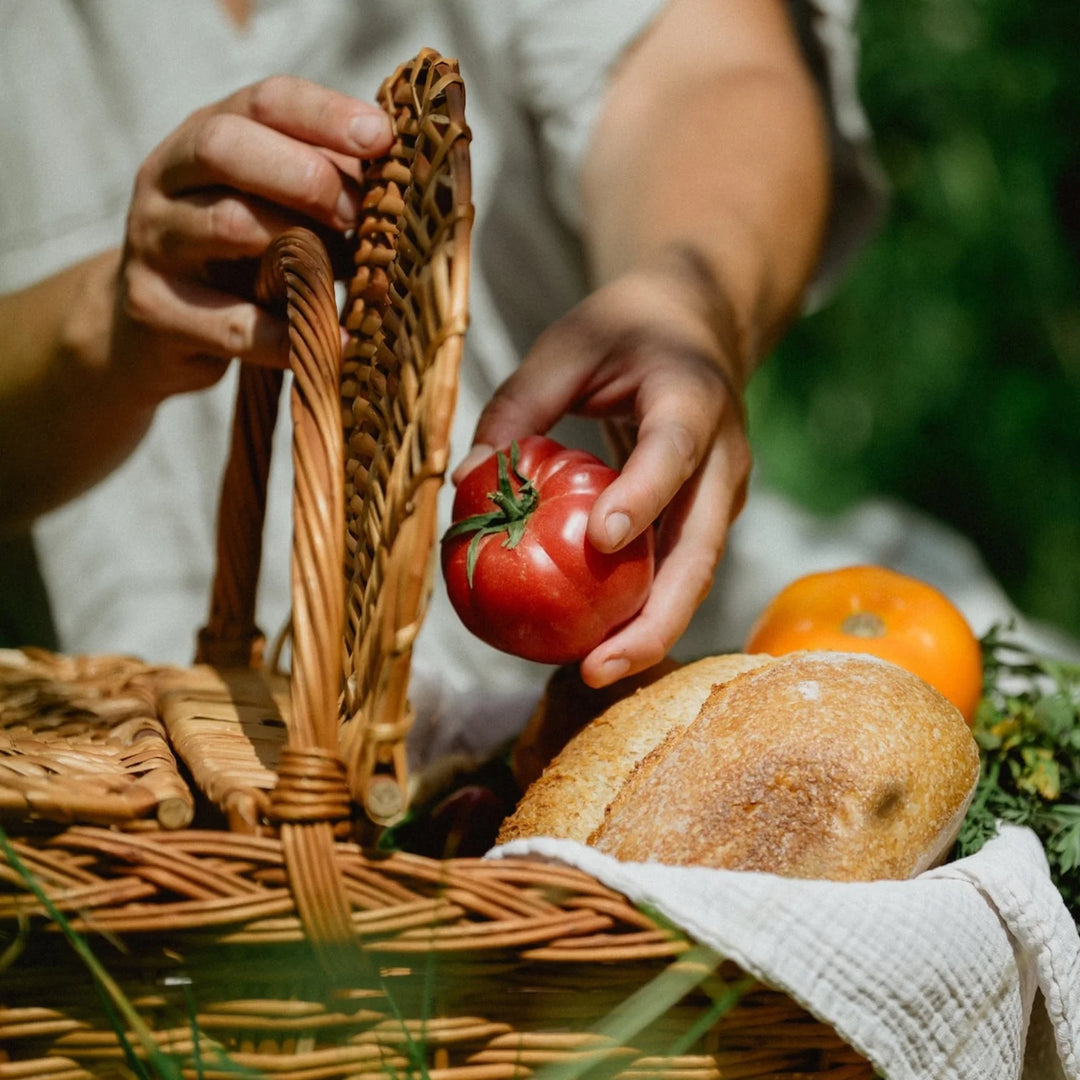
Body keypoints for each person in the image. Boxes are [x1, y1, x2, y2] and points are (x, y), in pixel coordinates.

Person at [2, 0, 946, 757]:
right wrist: (103, 324)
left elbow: (709, 68)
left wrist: (690, 295)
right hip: (131, 748)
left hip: (647, 685)